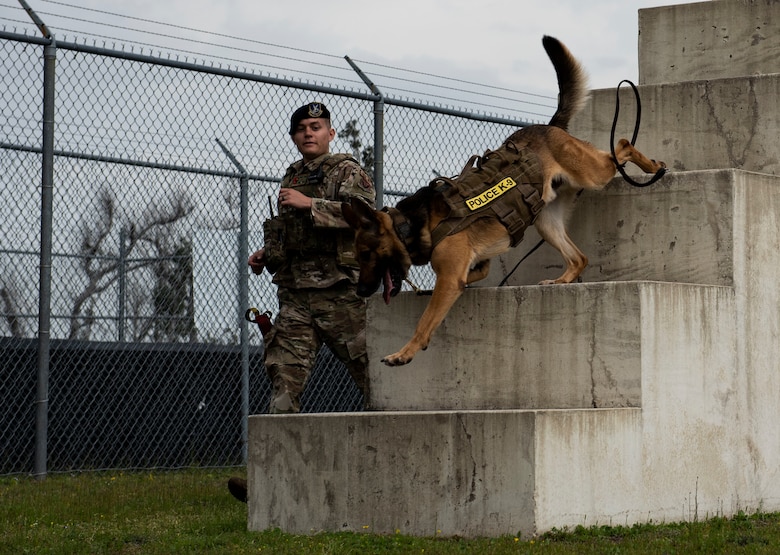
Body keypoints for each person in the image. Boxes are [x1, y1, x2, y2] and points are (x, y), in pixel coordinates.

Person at [228, 101, 376, 503]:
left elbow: (364, 216)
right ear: (293, 137)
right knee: (283, 383)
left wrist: (309, 203)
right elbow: (294, 233)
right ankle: (270, 482)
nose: (308, 133)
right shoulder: (293, 175)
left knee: (376, 382)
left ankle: (385, 471)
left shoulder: (347, 170)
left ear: (330, 133)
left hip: (341, 296)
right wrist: (267, 253)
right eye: (301, 129)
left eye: (316, 126)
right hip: (296, 298)